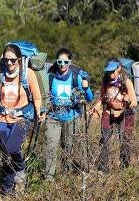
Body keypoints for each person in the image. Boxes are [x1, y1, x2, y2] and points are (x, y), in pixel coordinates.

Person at [0, 44, 44, 196]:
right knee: (5, 157)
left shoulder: (28, 74)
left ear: (19, 59)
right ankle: (7, 190)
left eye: (12, 60)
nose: (9, 63)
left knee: (12, 149)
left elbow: (36, 96)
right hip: (2, 119)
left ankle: (20, 167)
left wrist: (39, 111)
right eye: (6, 60)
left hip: (22, 118)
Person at [44, 47, 94, 181]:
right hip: (53, 117)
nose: (62, 65)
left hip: (71, 117)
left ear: (70, 62)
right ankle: (49, 179)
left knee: (68, 148)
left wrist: (86, 87)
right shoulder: (51, 76)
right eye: (59, 62)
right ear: (56, 62)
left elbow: (89, 98)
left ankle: (66, 178)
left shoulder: (76, 77)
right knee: (51, 147)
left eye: (65, 62)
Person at [91, 58, 137, 172]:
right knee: (105, 138)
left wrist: (128, 100)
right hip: (109, 111)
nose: (110, 73)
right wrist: (96, 107)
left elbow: (134, 101)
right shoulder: (105, 80)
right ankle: (103, 169)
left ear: (119, 68)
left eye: (112, 71)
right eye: (108, 71)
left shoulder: (126, 81)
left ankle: (124, 169)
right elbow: (103, 98)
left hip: (126, 113)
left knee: (125, 140)